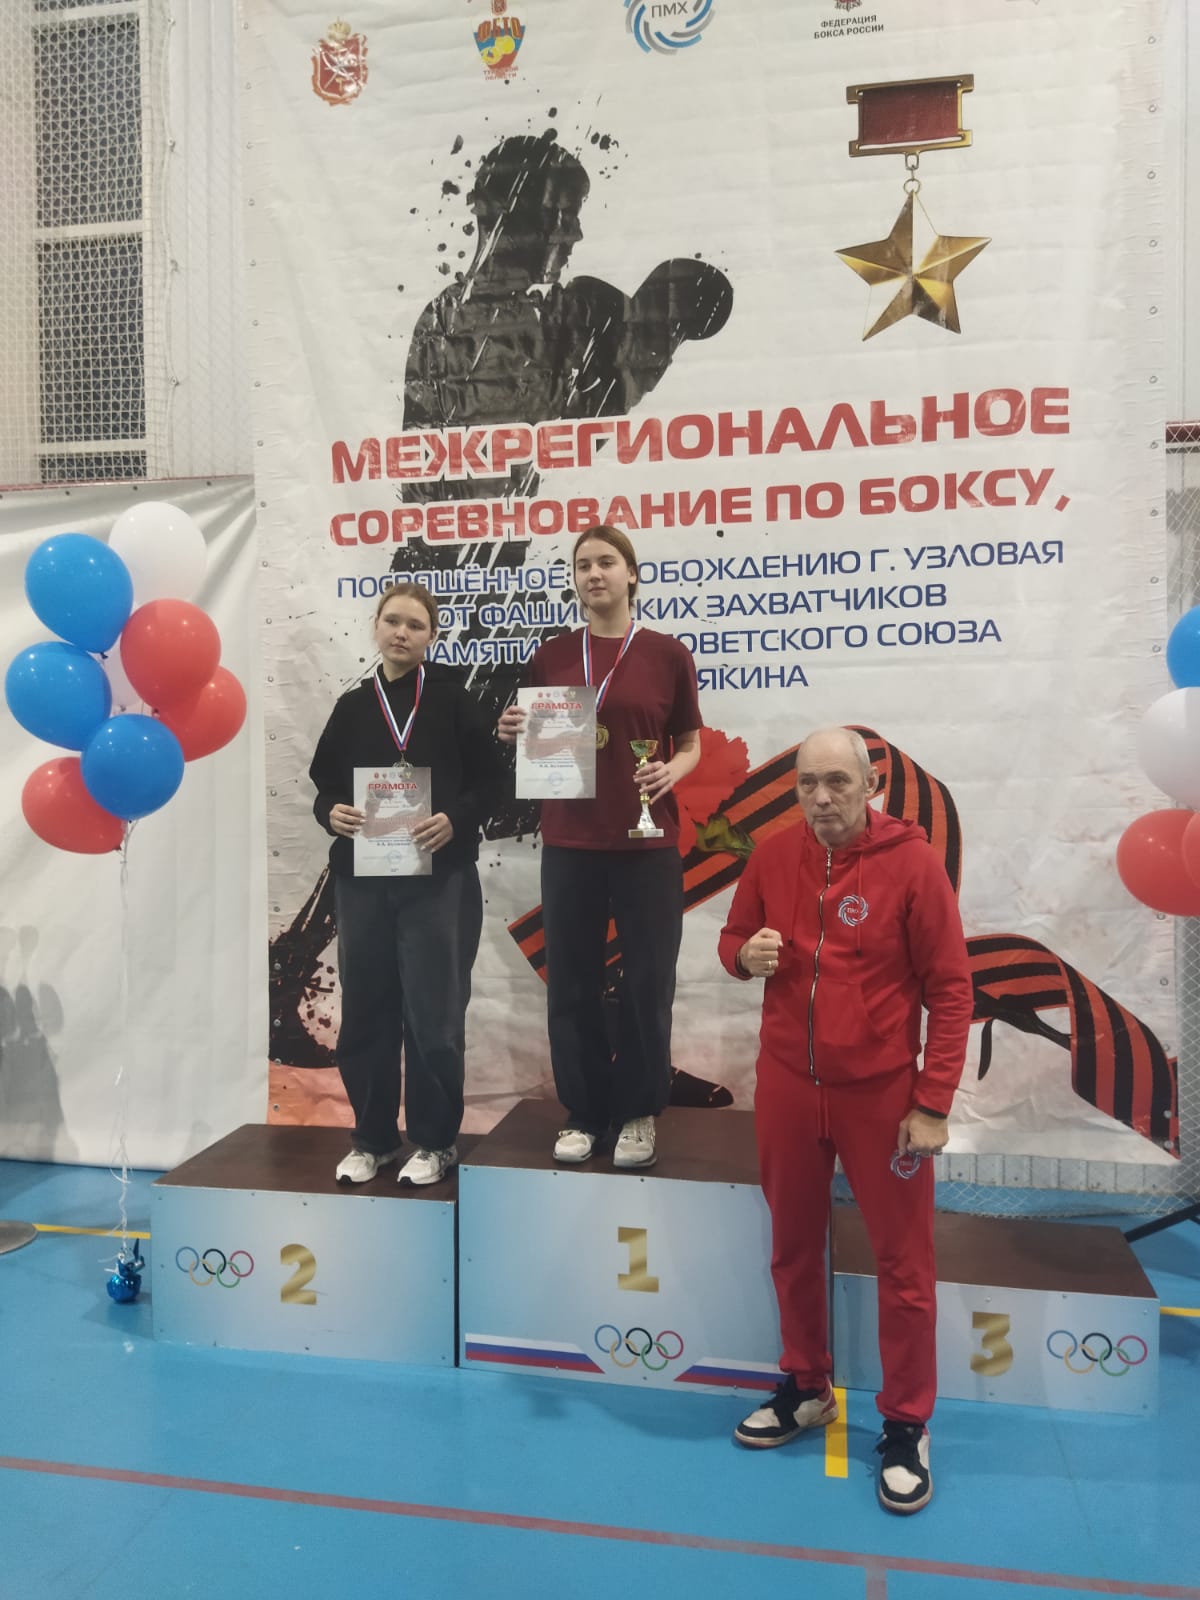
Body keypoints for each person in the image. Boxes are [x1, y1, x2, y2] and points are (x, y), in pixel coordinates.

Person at [718, 726, 973, 1515]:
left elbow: (951, 989)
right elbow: (732, 939)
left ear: (870, 787)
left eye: (837, 782)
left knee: (904, 1264)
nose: (821, 798)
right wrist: (744, 957)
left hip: (882, 1097)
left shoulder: (913, 864)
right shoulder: (771, 856)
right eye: (807, 784)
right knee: (793, 1246)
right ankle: (806, 1386)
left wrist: (932, 1101)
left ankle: (906, 1422)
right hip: (789, 1085)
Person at [497, 525, 702, 1168]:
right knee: (572, 982)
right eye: (583, 564)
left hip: (647, 842)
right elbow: (532, 736)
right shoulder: (553, 655)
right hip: (571, 842)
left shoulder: (667, 654)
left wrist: (672, 771)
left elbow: (690, 743)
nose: (594, 574)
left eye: (607, 562)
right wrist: (513, 729)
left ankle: (638, 1111)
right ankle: (584, 1111)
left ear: (631, 573)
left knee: (648, 982)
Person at [310, 583, 503, 1187]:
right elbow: (324, 786)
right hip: (364, 881)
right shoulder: (352, 706)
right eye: (392, 620)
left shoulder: (455, 701)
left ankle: (436, 1141)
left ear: (432, 637)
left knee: (434, 1016)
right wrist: (331, 813)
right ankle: (372, 1140)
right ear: (375, 626)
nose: (401, 632)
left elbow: (493, 782)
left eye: (416, 625)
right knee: (366, 1012)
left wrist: (457, 819)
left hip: (437, 881)